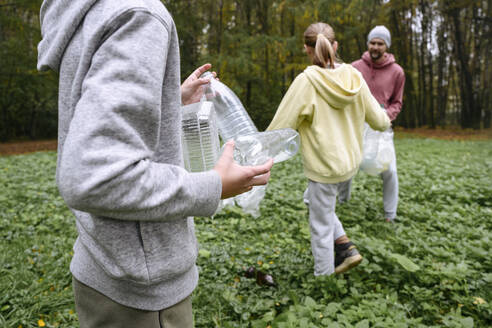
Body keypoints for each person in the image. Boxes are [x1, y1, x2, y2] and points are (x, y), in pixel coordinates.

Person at [37, 1, 273, 327]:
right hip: (142, 297)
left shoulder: (91, 10)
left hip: (104, 267)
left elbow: (97, 120)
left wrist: (167, 99)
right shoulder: (138, 14)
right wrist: (214, 184)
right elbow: (93, 176)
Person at [267, 22, 391, 276]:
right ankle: (345, 245)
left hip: (324, 167)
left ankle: (324, 278)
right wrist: (387, 118)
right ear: (335, 46)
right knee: (312, 200)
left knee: (320, 225)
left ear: (306, 49)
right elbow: (379, 120)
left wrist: (255, 152)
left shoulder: (306, 82)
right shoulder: (355, 76)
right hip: (349, 165)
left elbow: (279, 130)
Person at [348, 25, 405, 223]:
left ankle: (390, 215)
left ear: (386, 46)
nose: (375, 47)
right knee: (347, 165)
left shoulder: (397, 72)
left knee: (390, 170)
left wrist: (385, 116)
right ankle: (342, 201)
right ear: (368, 44)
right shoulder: (355, 68)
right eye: (372, 42)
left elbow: (397, 102)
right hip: (356, 126)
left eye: (380, 43)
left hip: (381, 127)